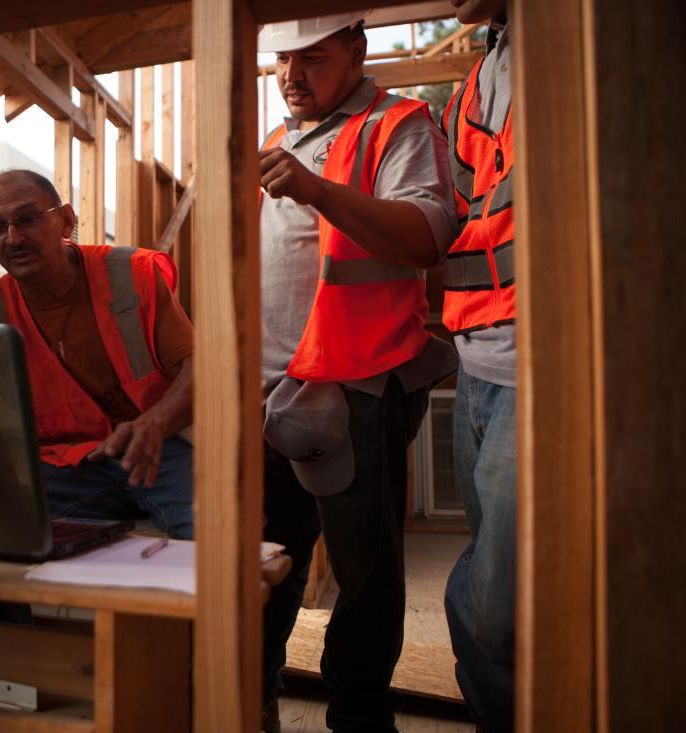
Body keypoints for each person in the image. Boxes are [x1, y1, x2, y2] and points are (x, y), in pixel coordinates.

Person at [256, 10, 458, 733]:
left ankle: (360, 719)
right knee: (267, 560)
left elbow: (428, 235)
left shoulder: (398, 123)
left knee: (363, 576)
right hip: (271, 388)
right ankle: (252, 704)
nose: (290, 74)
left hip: (359, 384)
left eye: (310, 57)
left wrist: (318, 191)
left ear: (356, 50)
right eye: (282, 60)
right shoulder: (278, 140)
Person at [0, 169, 195, 540]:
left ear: (66, 220)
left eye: (28, 219)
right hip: (68, 466)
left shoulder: (133, 274)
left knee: (218, 540)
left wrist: (155, 424)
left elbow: (199, 369)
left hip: (160, 448)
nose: (14, 238)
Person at [440, 2, 515, 731]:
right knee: (494, 557)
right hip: (476, 355)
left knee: (494, 603)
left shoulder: (576, 37)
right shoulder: (476, 79)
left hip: (543, 361)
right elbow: (459, 205)